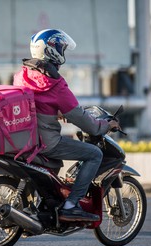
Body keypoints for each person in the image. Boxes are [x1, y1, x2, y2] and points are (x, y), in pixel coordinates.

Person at [13, 29, 120, 222]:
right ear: (51, 51)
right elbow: (83, 120)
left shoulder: (22, 75)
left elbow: (34, 103)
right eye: (61, 48)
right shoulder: (55, 84)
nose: (63, 52)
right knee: (95, 154)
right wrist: (105, 125)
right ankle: (71, 205)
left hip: (25, 139)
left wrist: (54, 111)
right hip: (47, 142)